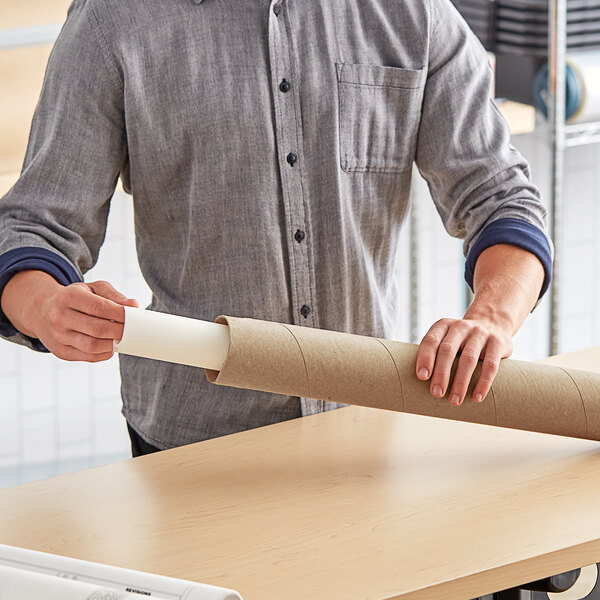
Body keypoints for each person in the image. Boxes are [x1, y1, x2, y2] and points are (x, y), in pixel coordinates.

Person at [0, 0, 552, 456]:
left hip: (366, 422)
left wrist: (493, 318)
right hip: (192, 444)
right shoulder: (115, 20)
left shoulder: (413, 13)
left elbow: (502, 198)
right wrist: (45, 306)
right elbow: (31, 229)